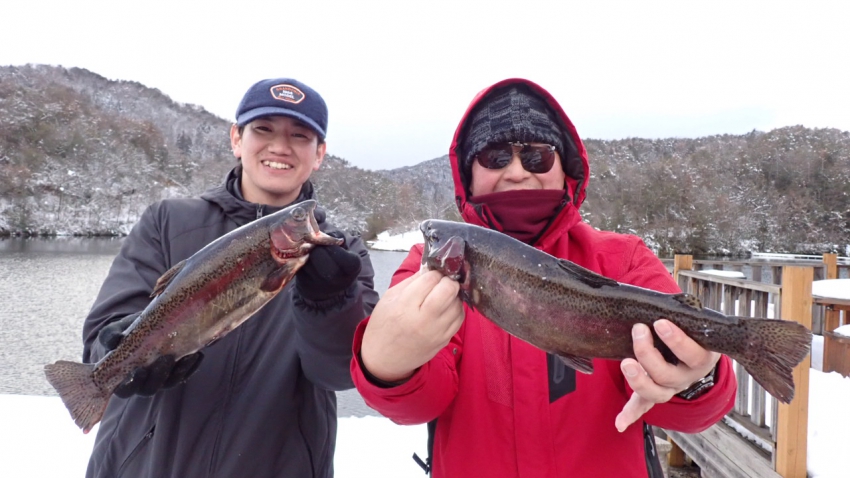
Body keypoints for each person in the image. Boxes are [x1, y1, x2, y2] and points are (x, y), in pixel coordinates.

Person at [351, 78, 736, 477]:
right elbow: (417, 405)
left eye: (537, 157)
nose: (517, 172)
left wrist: (698, 378)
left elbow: (694, 413)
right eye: (496, 157)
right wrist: (385, 365)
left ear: (565, 168)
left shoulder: (626, 258)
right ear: (468, 171)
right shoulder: (427, 268)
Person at [82, 77, 379, 478]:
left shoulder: (343, 254)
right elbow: (100, 338)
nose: (280, 146)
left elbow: (342, 372)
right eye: (264, 129)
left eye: (300, 135)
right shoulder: (166, 220)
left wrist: (331, 303)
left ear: (319, 154)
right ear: (237, 139)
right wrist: (123, 354)